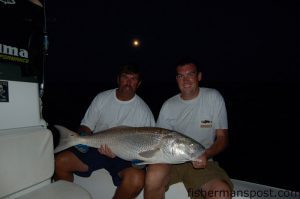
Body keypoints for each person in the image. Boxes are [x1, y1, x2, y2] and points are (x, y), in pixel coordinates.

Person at [54, 63, 155, 199]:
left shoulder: (144, 111)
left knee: (137, 179)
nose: (128, 82)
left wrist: (140, 161)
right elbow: (86, 126)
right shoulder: (102, 98)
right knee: (60, 162)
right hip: (97, 147)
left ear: (138, 83)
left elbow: (149, 144)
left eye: (133, 79)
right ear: (118, 79)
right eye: (125, 77)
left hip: (124, 156)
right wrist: (82, 138)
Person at [144, 57, 233, 199]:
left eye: (190, 74)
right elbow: (158, 142)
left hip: (204, 160)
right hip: (170, 161)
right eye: (181, 76)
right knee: (153, 176)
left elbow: (222, 138)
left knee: (221, 192)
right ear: (177, 79)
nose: (185, 80)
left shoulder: (213, 98)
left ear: (199, 76)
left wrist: (206, 154)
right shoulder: (169, 105)